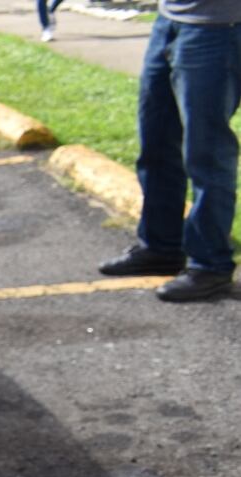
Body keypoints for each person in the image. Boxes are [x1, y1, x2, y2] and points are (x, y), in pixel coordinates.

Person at [98, 0, 241, 301]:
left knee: (207, 153)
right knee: (156, 139)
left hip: (217, 28)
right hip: (169, 19)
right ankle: (161, 247)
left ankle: (210, 265)